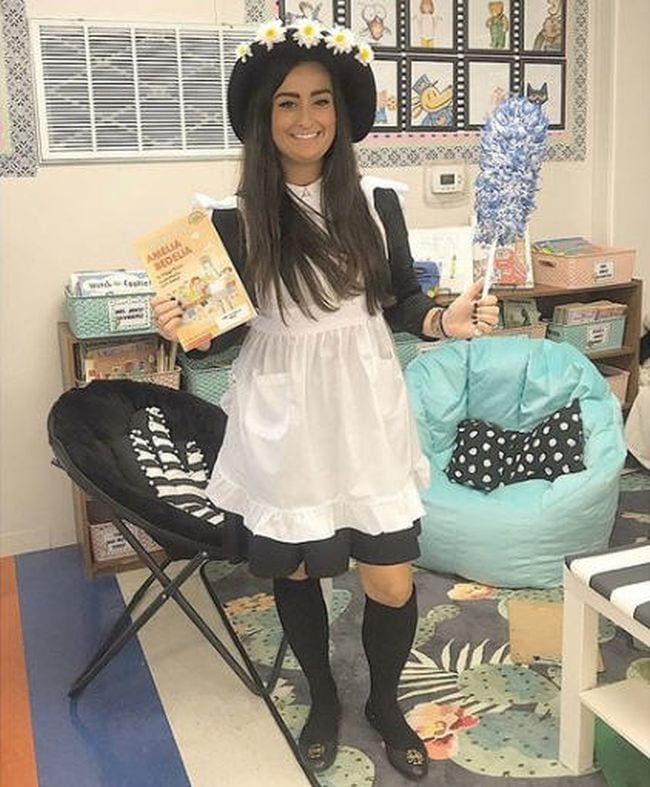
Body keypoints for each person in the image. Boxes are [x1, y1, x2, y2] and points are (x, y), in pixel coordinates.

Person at [151, 16, 499, 781]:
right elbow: (228, 334)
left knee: (391, 574)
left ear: (341, 112)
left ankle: (384, 702)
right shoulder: (233, 215)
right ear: (261, 117)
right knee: (298, 570)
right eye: (285, 102)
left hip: (365, 401)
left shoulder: (376, 198)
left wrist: (445, 320)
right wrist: (191, 333)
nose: (305, 118)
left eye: (319, 100)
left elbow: (405, 300)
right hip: (281, 410)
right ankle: (321, 697)